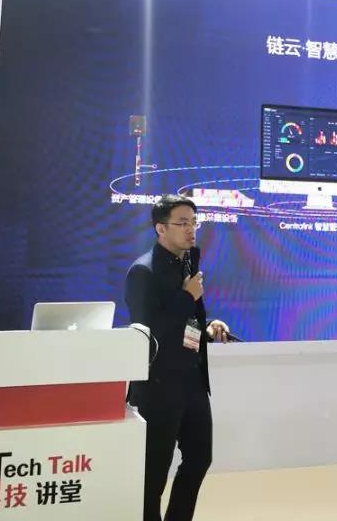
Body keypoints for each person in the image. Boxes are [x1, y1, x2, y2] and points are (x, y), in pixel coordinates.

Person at [125, 194, 232, 521]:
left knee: (199, 459)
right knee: (153, 474)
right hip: (158, 387)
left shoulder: (188, 264)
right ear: (161, 228)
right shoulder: (143, 271)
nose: (191, 230)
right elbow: (148, 331)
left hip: (193, 383)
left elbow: (187, 321)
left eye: (194, 223)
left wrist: (207, 327)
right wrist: (187, 297)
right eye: (182, 223)